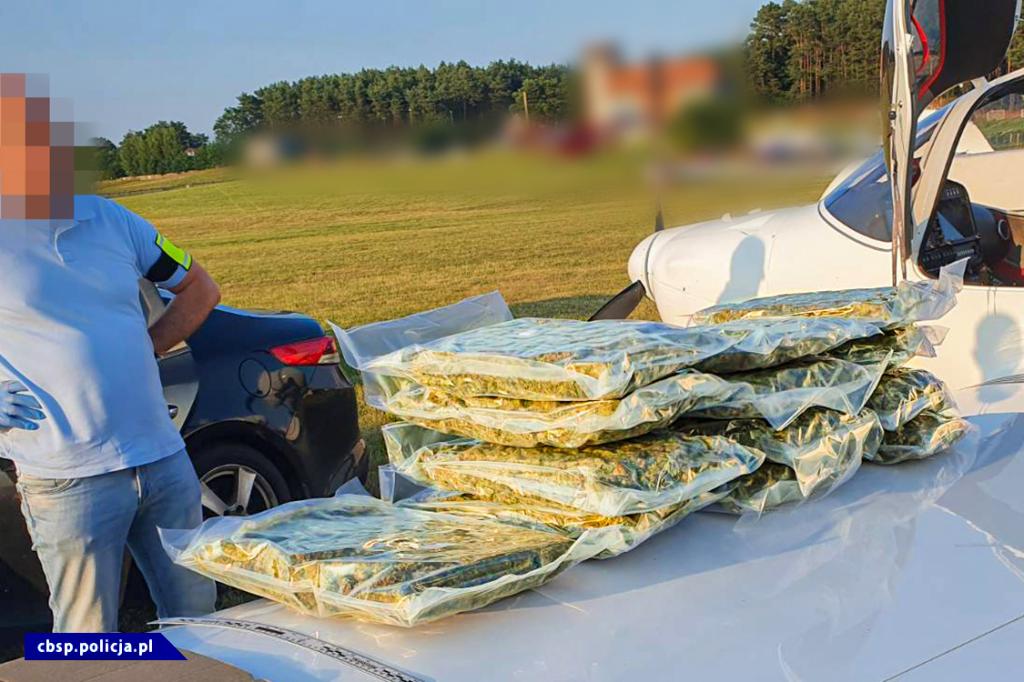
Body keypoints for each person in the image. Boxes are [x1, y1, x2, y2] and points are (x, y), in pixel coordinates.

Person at [0, 73, 219, 632]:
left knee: (200, 625)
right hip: (67, 477)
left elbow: (200, 288)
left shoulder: (111, 218)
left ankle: (177, 669)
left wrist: (147, 346)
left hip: (163, 458)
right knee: (86, 639)